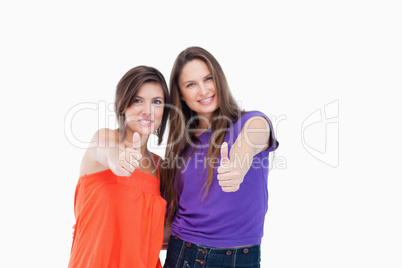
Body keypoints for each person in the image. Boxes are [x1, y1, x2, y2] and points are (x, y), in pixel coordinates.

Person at [162, 47, 279, 268]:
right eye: (191, 84)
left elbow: (251, 140)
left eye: (208, 79)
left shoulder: (251, 121)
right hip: (181, 253)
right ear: (182, 96)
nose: (203, 90)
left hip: (236, 259)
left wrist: (237, 166)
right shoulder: (181, 146)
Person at [68, 66, 170, 268]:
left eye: (156, 102)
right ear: (123, 105)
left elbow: (159, 236)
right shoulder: (105, 138)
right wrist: (117, 158)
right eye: (138, 100)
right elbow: (107, 150)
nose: (148, 111)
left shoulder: (162, 168)